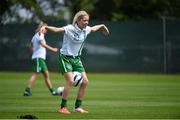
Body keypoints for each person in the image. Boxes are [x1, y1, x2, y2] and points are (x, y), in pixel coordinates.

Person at [45, 10, 110, 114]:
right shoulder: (70, 28)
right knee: (70, 81)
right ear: (78, 20)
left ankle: (77, 107)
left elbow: (93, 28)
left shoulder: (86, 29)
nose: (87, 23)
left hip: (76, 59)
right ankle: (63, 107)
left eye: (87, 21)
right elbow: (57, 30)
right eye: (84, 20)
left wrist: (102, 26)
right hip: (65, 58)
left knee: (85, 82)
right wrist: (46, 27)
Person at [23, 21, 58, 96]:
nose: (46, 30)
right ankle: (27, 91)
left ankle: (53, 92)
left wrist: (34, 52)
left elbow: (30, 46)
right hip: (38, 58)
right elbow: (42, 44)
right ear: (42, 28)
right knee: (35, 74)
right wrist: (53, 49)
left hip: (39, 58)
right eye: (46, 29)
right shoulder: (40, 34)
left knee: (46, 75)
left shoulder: (35, 35)